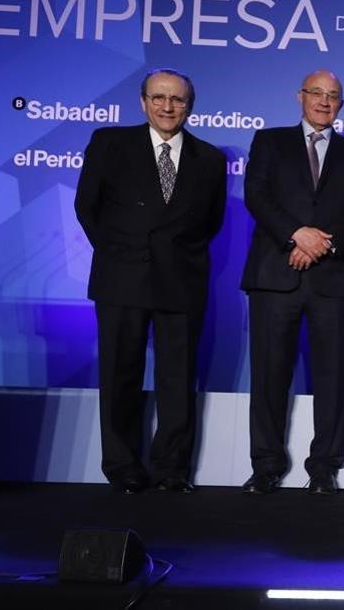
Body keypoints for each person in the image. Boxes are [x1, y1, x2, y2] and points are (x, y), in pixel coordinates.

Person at [74, 67, 227, 494]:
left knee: (178, 380)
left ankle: (171, 469)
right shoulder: (110, 144)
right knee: (120, 374)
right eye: (159, 98)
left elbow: (211, 221)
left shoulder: (210, 158)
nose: (167, 106)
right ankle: (122, 466)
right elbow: (87, 207)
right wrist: (120, 252)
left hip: (181, 280)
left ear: (189, 106)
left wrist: (177, 254)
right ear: (143, 102)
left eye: (177, 100)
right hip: (122, 277)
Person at [239, 70, 344, 495]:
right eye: (316, 93)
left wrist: (321, 244)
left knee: (332, 377)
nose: (324, 101)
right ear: (300, 96)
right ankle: (266, 466)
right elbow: (256, 196)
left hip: (333, 279)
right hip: (275, 274)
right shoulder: (270, 141)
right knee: (268, 375)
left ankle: (324, 468)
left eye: (333, 95)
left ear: (341, 103)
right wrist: (296, 234)